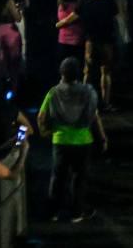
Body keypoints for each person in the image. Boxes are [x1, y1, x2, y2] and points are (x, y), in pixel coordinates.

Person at [38, 57, 108, 223]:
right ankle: (77, 212)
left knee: (58, 177)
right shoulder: (88, 92)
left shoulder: (53, 92)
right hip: (83, 141)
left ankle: (53, 211)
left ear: (62, 73)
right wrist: (103, 137)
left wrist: (45, 132)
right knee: (79, 178)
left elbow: (41, 116)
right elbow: (94, 116)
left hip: (60, 141)